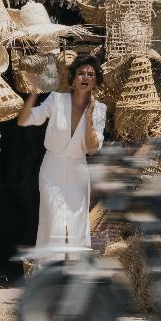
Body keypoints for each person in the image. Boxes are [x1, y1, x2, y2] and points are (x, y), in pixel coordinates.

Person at [17, 54, 107, 251]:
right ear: (73, 78)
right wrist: (34, 92)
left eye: (90, 74)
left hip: (78, 170)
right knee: (54, 223)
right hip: (52, 169)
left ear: (96, 81)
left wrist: (90, 115)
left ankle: (73, 275)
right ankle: (50, 273)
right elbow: (24, 120)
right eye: (81, 73)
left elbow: (92, 149)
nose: (85, 77)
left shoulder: (99, 109)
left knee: (75, 226)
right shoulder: (56, 100)